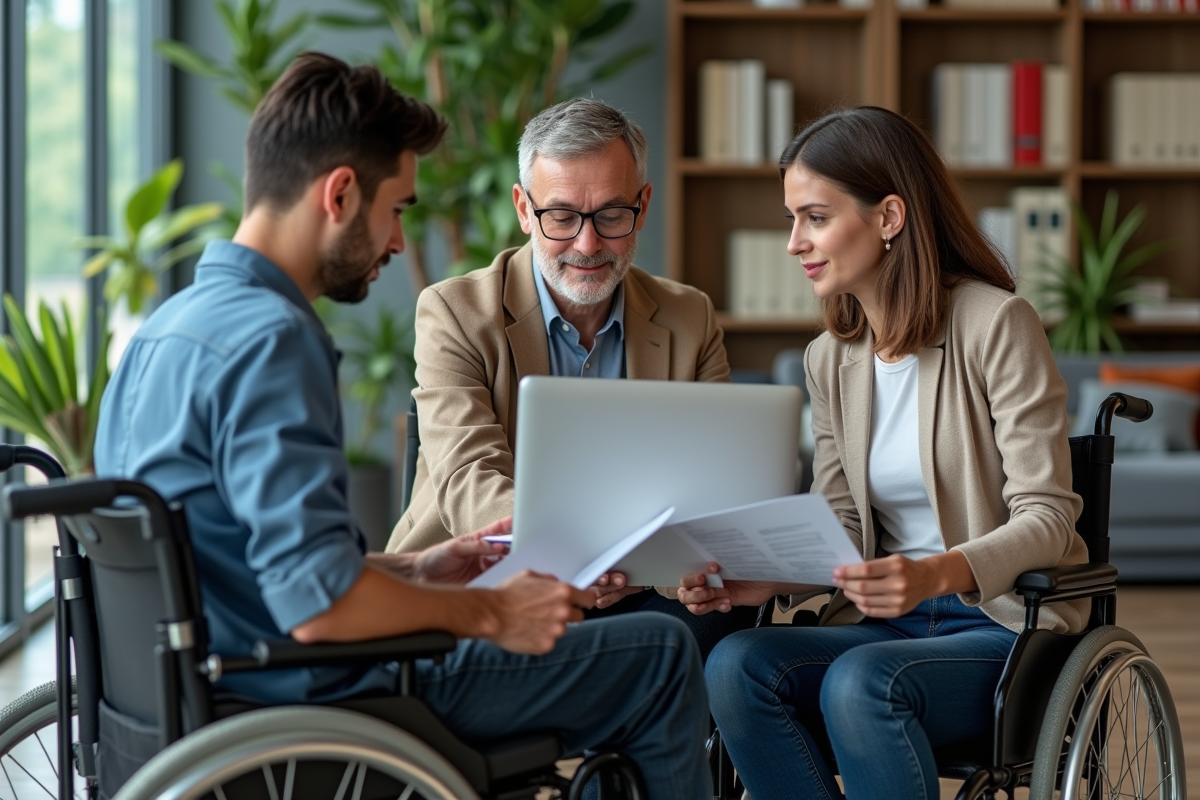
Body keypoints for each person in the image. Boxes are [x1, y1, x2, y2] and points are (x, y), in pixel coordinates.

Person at [93, 52, 711, 799]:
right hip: (317, 694)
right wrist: (493, 610)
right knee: (660, 653)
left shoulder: (167, 329)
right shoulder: (274, 341)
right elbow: (318, 603)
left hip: (198, 695)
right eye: (396, 211)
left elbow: (241, 561)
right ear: (341, 195)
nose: (395, 242)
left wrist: (414, 570)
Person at [679, 107, 1090, 800]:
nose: (794, 243)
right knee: (736, 664)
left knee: (860, 682)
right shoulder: (829, 359)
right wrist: (766, 578)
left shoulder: (996, 324)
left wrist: (932, 575)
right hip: (886, 626)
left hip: (999, 625)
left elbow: (1048, 516)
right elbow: (841, 521)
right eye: (792, 220)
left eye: (815, 217)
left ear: (889, 216)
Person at [385, 97, 755, 660]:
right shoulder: (455, 311)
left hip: (642, 586)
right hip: (494, 580)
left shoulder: (689, 316)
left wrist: (645, 564)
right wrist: (575, 556)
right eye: (561, 217)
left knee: (724, 621)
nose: (587, 245)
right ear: (523, 209)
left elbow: (710, 488)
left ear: (643, 206)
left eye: (611, 215)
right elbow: (469, 480)